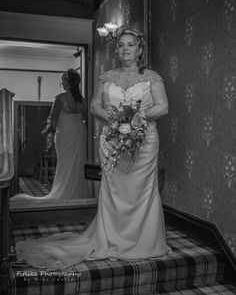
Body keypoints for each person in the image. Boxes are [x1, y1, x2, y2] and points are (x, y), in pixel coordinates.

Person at [14, 27, 171, 269]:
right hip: (111, 141)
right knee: (115, 191)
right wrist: (113, 117)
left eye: (130, 45)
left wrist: (138, 116)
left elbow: (163, 107)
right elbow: (94, 107)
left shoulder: (152, 77)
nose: (125, 49)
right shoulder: (107, 78)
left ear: (139, 50)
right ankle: (111, 239)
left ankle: (145, 242)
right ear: (117, 50)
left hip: (145, 142)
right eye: (121, 45)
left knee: (143, 191)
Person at [11, 69, 92, 200]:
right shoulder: (82, 100)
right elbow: (84, 118)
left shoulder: (61, 98)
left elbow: (53, 121)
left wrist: (49, 132)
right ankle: (77, 194)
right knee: (78, 163)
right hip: (80, 132)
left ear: (68, 83)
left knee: (65, 164)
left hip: (65, 133)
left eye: (63, 82)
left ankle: (63, 193)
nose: (62, 84)